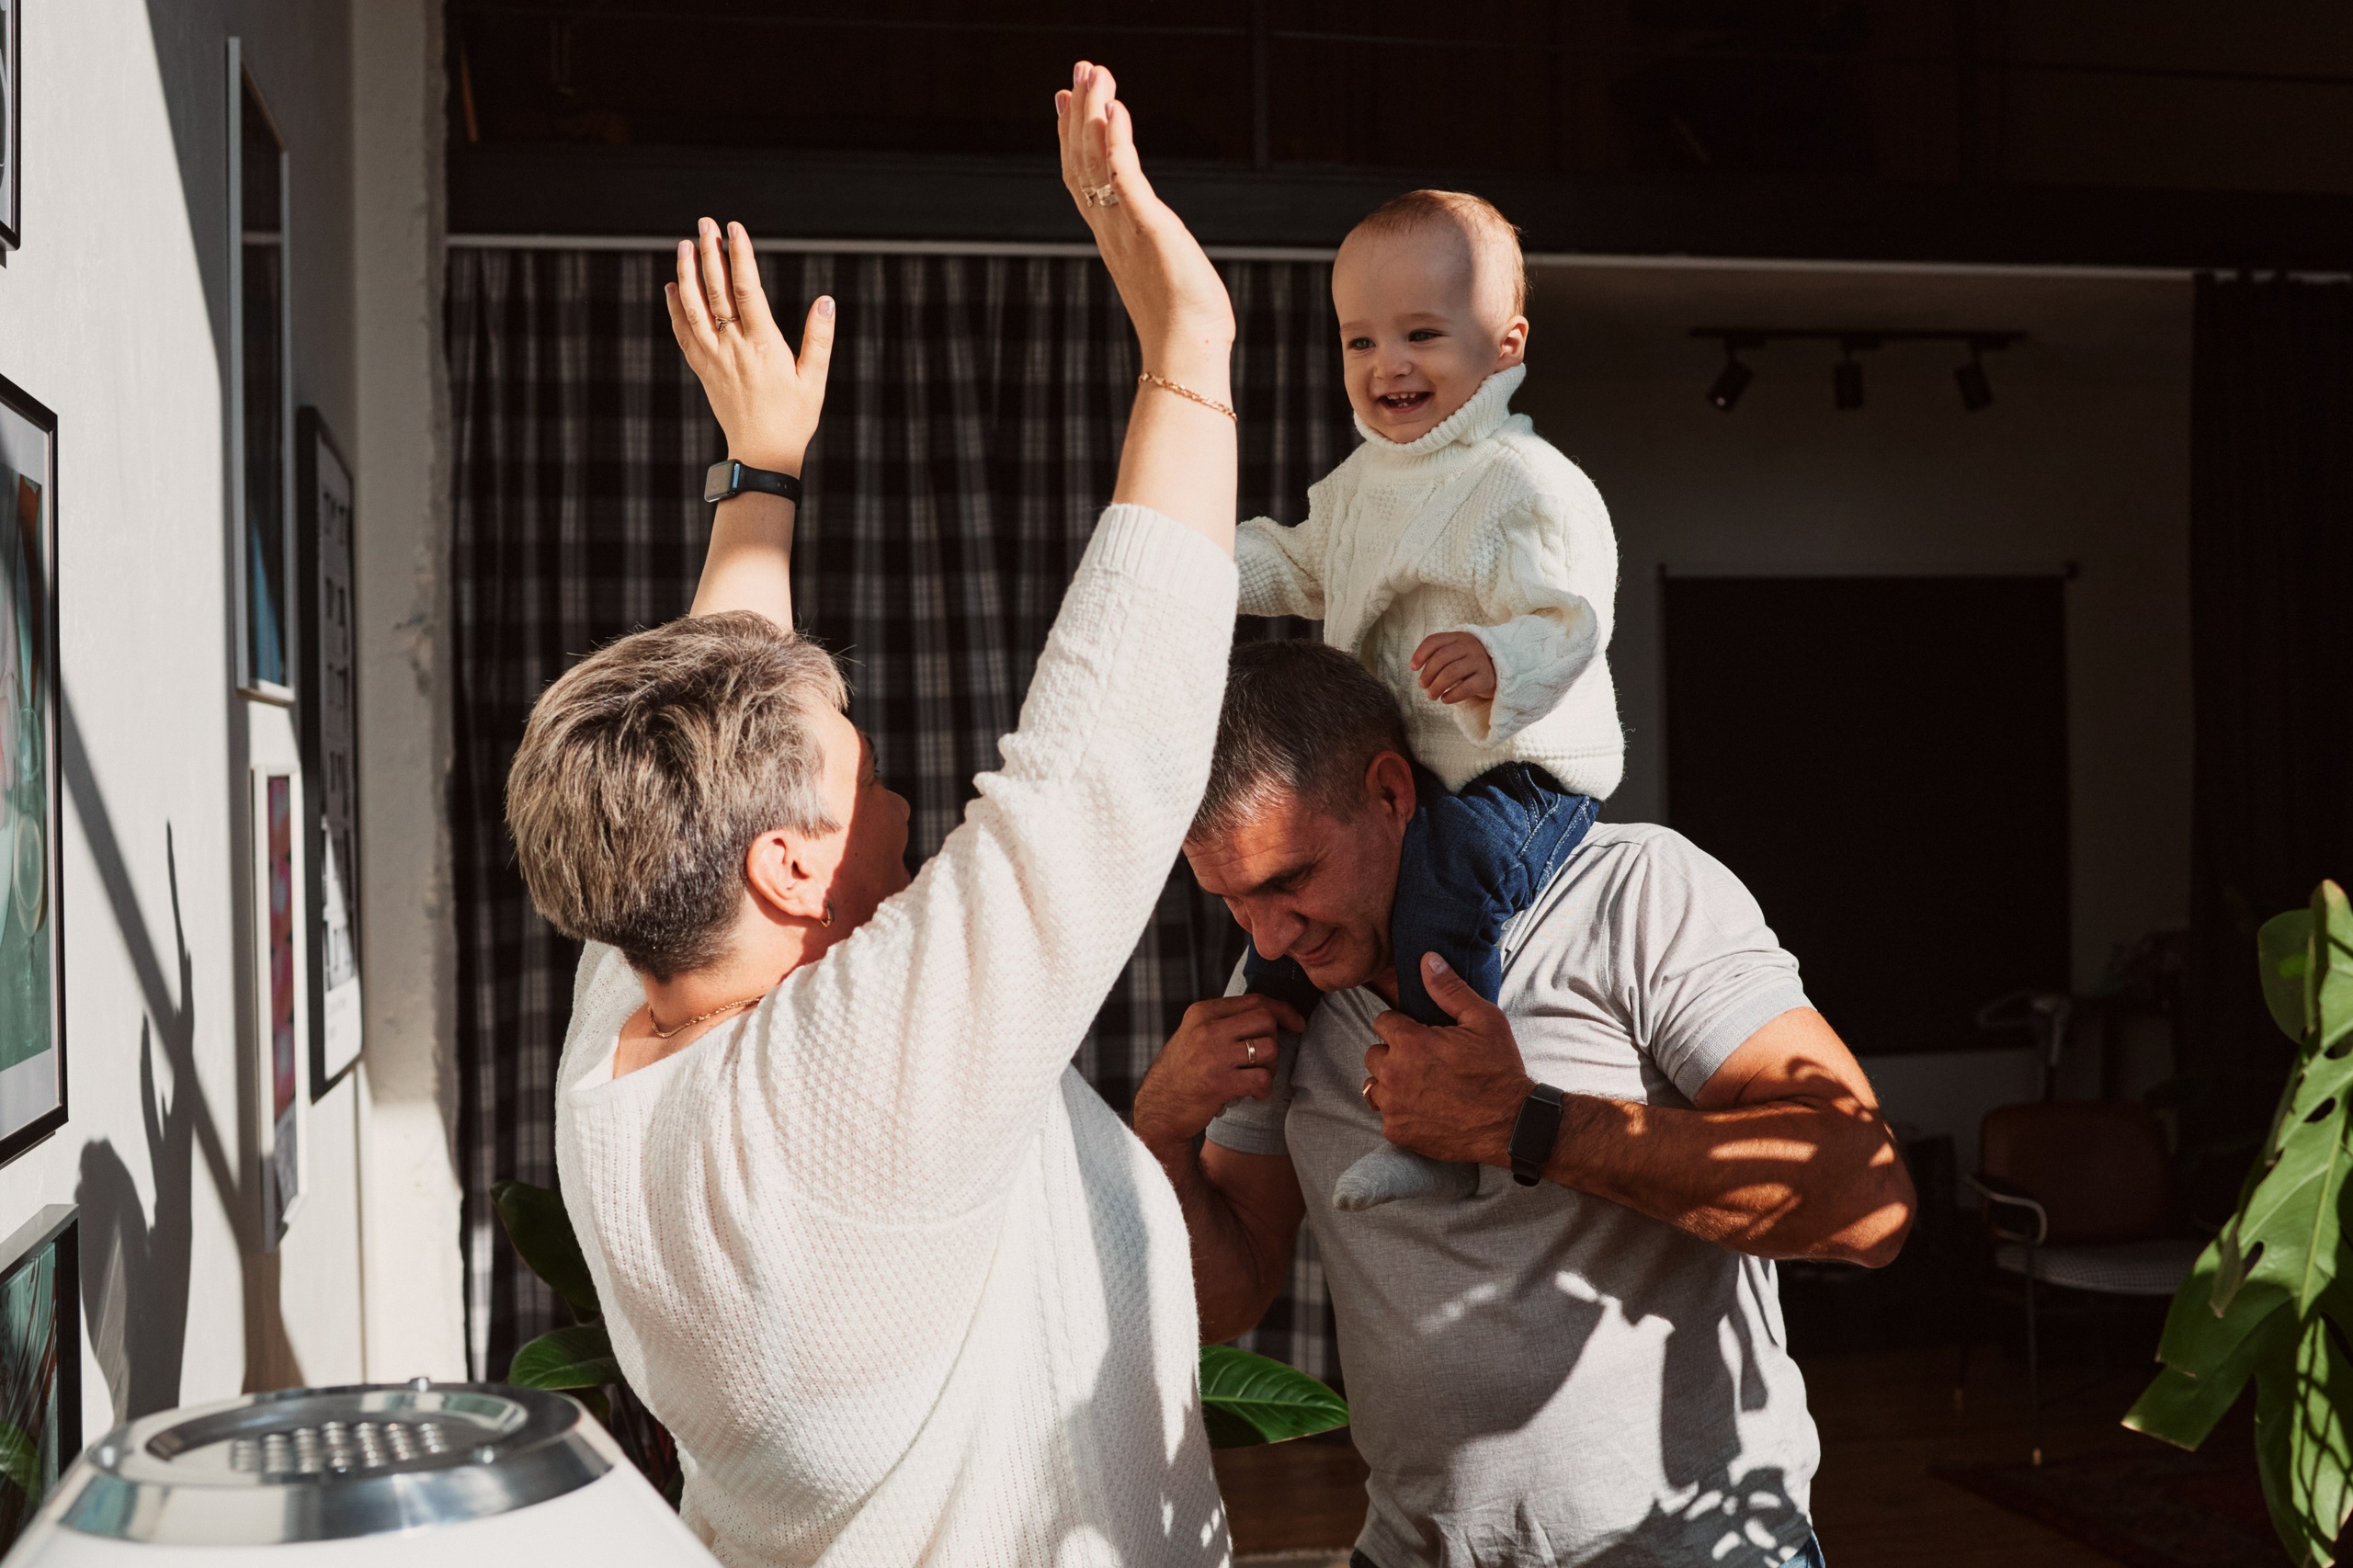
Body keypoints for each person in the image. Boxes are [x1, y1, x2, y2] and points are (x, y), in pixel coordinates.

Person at [507, 64, 1246, 1566]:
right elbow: (1096, 767)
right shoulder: (830, 1105)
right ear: (787, 866)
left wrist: (758, 469)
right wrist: (1190, 353)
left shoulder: (629, 1016)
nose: (898, 781)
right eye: (860, 758)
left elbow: (722, 710)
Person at [1137, 641, 1917, 1568]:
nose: (1268, 932)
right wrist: (1162, 1134)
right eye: (1230, 898)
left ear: (1390, 792)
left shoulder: (1633, 892)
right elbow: (1227, 1296)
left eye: (1288, 878)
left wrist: (1528, 1123)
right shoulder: (1285, 981)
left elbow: (1866, 1203)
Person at [1233, 190, 1621, 1211]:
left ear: (1503, 347)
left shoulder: (1523, 481)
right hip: (1400, 767)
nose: (1386, 365)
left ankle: (1441, 1124)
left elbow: (1571, 617)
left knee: (1445, 895)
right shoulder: (1367, 479)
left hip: (1515, 765)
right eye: (1360, 339)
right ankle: (1248, 1074)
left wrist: (1501, 659)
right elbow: (1296, 561)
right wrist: (1190, 563)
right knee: (1279, 929)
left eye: (1420, 334)